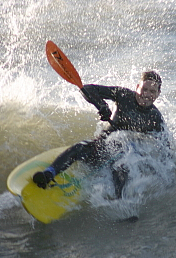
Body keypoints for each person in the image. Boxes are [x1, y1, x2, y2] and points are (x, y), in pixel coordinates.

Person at [32, 71, 165, 199]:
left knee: (123, 162)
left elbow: (164, 148)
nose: (146, 94)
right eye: (144, 89)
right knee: (80, 147)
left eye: (152, 91)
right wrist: (101, 105)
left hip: (124, 159)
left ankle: (122, 204)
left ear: (158, 94)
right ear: (137, 87)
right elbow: (87, 89)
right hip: (101, 149)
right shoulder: (123, 95)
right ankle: (48, 174)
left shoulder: (155, 118)